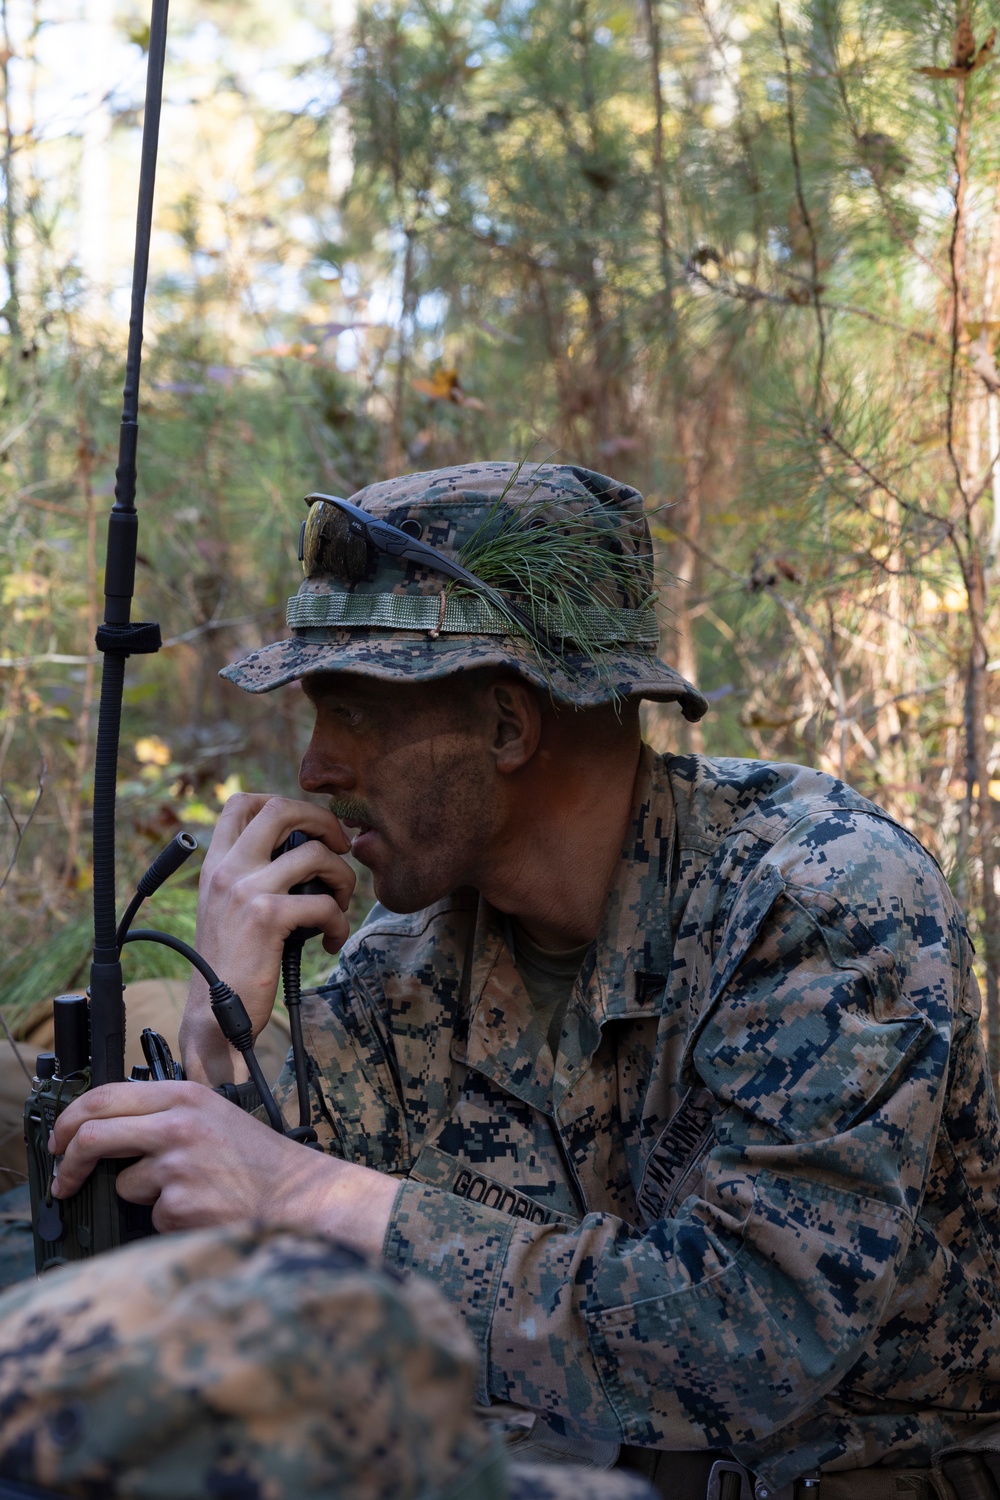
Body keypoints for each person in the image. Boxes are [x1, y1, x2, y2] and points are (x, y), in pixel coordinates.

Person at [38, 462, 1000, 1498]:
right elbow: (266, 1278)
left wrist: (300, 1186)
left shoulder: (818, 898)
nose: (313, 767)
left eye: (353, 712)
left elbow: (749, 1335)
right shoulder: (419, 955)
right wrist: (213, 1032)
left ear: (507, 726)